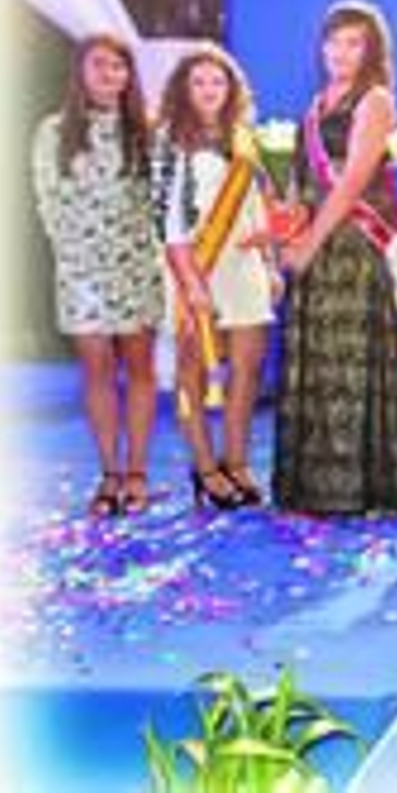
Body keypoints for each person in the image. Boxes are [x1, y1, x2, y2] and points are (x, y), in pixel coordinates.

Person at [275, 0, 397, 515]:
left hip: (352, 245)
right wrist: (287, 229)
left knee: (350, 360)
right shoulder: (316, 104)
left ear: (371, 50)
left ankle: (357, 485)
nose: (341, 52)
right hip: (314, 235)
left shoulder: (374, 99)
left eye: (354, 42)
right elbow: (301, 179)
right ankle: (314, 484)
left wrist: (309, 243)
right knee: (319, 360)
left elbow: (355, 179)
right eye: (334, 41)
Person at [32, 34, 165, 516]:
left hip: (136, 267)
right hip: (82, 271)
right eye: (100, 66)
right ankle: (109, 472)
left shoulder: (147, 130)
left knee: (141, 369)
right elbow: (47, 201)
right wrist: (75, 256)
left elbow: (163, 204)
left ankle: (137, 474)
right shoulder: (54, 130)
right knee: (98, 371)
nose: (110, 75)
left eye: (119, 67)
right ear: (81, 73)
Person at [153, 45, 280, 509]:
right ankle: (205, 467)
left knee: (247, 367)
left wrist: (269, 262)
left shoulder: (244, 138)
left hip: (243, 263)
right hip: (191, 265)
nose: (209, 90)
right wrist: (190, 282)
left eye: (218, 82)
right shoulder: (167, 139)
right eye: (200, 82)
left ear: (232, 89)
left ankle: (238, 461)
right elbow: (164, 218)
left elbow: (257, 206)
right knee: (192, 370)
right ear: (184, 90)